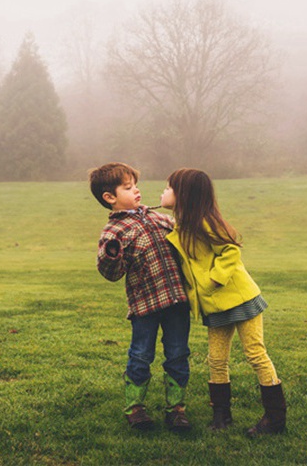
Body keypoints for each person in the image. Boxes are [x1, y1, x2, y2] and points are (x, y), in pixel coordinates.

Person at [160, 167, 286, 436]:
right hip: (215, 305)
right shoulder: (182, 224)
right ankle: (221, 414)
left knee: (255, 353)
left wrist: (213, 280)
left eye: (168, 187)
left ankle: (275, 418)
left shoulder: (205, 222)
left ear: (183, 195)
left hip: (239, 298)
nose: (163, 191)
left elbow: (230, 251)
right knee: (216, 359)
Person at [89, 162, 192, 431]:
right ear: (110, 198)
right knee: (140, 356)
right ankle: (135, 409)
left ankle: (176, 409)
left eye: (135, 185)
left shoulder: (160, 219)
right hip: (145, 305)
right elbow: (111, 273)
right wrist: (112, 253)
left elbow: (186, 244)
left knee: (178, 354)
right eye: (128, 187)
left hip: (177, 301)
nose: (136, 190)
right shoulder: (113, 233)